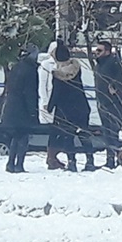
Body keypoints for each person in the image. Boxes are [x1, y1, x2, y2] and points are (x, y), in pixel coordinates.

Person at [39, 39, 95, 172]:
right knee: (84, 134)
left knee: (68, 137)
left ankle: (72, 162)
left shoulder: (57, 74)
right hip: (82, 106)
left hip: (65, 110)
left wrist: (50, 106)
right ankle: (90, 161)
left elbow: (56, 93)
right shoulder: (77, 68)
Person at [0, 44, 40, 173]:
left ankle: (11, 163)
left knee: (16, 135)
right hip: (22, 108)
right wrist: (33, 112)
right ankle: (19, 164)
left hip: (11, 106)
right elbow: (30, 93)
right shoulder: (30, 70)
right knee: (23, 135)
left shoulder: (16, 67)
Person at [93, 40, 122, 169]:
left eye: (99, 51)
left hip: (114, 104)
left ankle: (118, 159)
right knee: (107, 133)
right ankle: (110, 160)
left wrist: (115, 86)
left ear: (107, 51)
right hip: (102, 102)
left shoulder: (114, 63)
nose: (96, 53)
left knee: (113, 133)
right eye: (96, 50)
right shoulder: (99, 65)